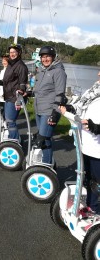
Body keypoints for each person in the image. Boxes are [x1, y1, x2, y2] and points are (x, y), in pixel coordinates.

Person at [60, 70, 100, 215]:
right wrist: (70, 108)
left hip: (98, 148)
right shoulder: (94, 89)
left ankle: (97, 209)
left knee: (97, 181)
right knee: (88, 178)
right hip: (86, 143)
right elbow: (81, 105)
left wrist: (97, 127)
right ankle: (92, 206)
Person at [33, 45, 67, 164]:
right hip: (39, 109)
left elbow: (61, 95)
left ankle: (46, 166)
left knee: (44, 139)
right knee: (41, 137)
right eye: (43, 57)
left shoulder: (58, 72)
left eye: (47, 56)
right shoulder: (41, 70)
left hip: (49, 111)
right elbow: (38, 89)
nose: (45, 59)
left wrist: (55, 114)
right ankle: (46, 162)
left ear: (53, 57)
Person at [0, 44, 28, 141]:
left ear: (19, 53)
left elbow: (22, 83)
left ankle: (14, 140)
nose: (12, 54)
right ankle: (13, 137)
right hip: (8, 96)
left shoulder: (21, 66)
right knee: (8, 119)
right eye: (10, 52)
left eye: (14, 52)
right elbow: (6, 81)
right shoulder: (10, 64)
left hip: (14, 98)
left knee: (10, 120)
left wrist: (19, 98)